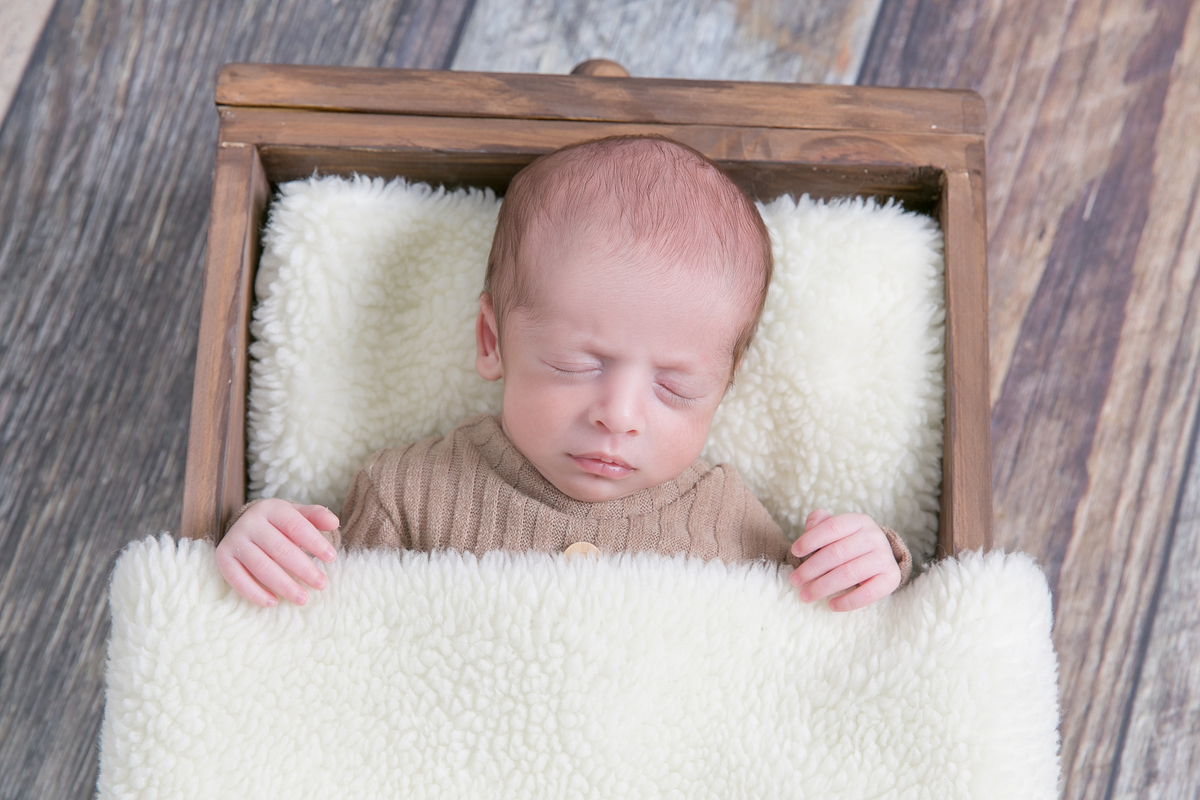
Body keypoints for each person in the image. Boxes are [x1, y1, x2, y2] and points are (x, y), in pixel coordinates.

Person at [215, 135, 911, 613]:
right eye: (577, 364)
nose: (620, 413)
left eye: (677, 387)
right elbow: (320, 615)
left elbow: (814, 636)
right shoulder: (409, 492)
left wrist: (874, 560)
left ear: (723, 389)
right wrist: (260, 535)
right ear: (493, 341)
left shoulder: (726, 518)